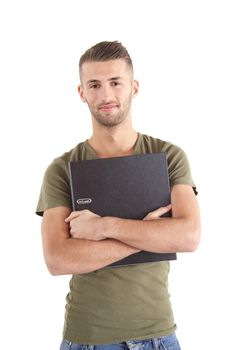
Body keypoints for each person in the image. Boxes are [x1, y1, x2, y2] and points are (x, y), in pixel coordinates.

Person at [36, 41, 201, 350]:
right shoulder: (61, 169)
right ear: (81, 92)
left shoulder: (168, 157)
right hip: (88, 340)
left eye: (115, 82)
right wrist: (150, 234)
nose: (106, 95)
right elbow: (57, 259)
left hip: (158, 337)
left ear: (134, 87)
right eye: (94, 85)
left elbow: (188, 236)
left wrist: (103, 227)